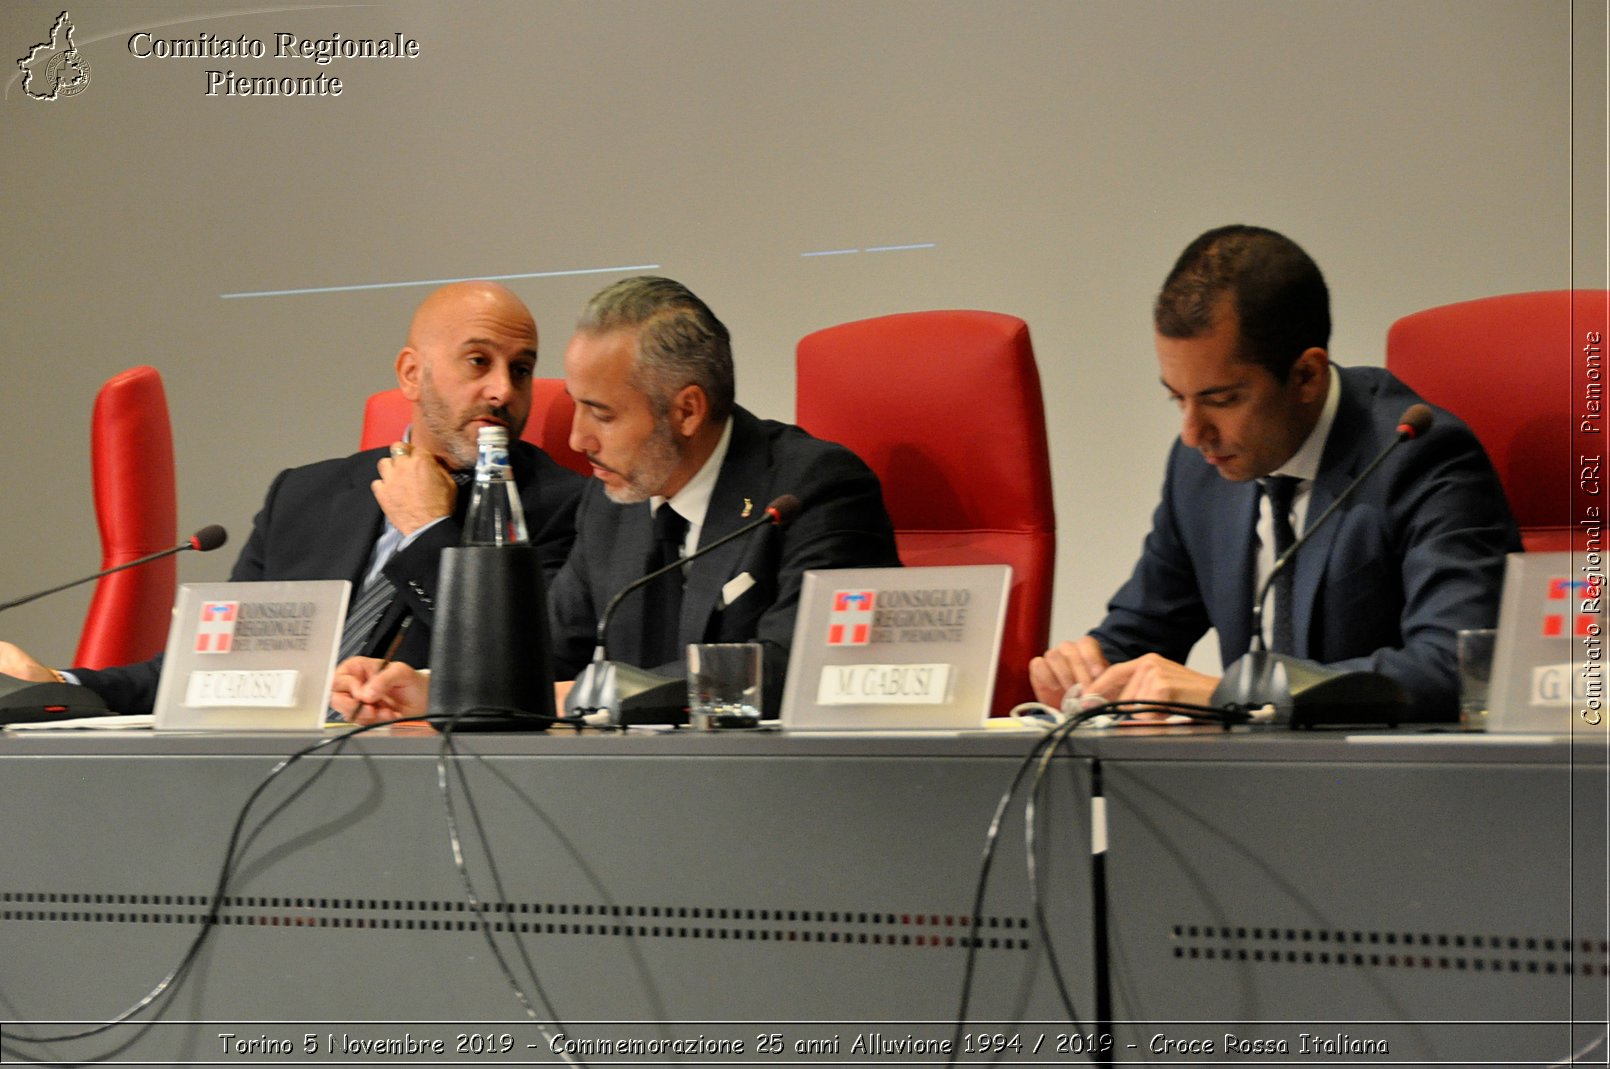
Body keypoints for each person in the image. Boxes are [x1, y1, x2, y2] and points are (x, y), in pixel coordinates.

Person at [334, 275, 901, 723]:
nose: (579, 440)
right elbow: (550, 655)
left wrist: (583, 696)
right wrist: (433, 688)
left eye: (601, 414)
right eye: (577, 406)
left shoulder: (814, 489)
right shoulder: (610, 505)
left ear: (686, 410)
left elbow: (790, 669)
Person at [0, 281, 585, 714]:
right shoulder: (303, 497)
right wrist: (55, 682)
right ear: (411, 374)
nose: (503, 391)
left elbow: (535, 673)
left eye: (523, 369)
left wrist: (430, 531)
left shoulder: (564, 507)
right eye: (479, 362)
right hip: (262, 773)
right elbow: (205, 676)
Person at [1030, 225, 1520, 720]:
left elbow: (1455, 669)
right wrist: (1086, 669)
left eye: (1221, 400)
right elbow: (1143, 631)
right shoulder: (1199, 469)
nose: (1192, 433)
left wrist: (1239, 693)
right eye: (1177, 397)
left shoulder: (1419, 457)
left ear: (1306, 375)